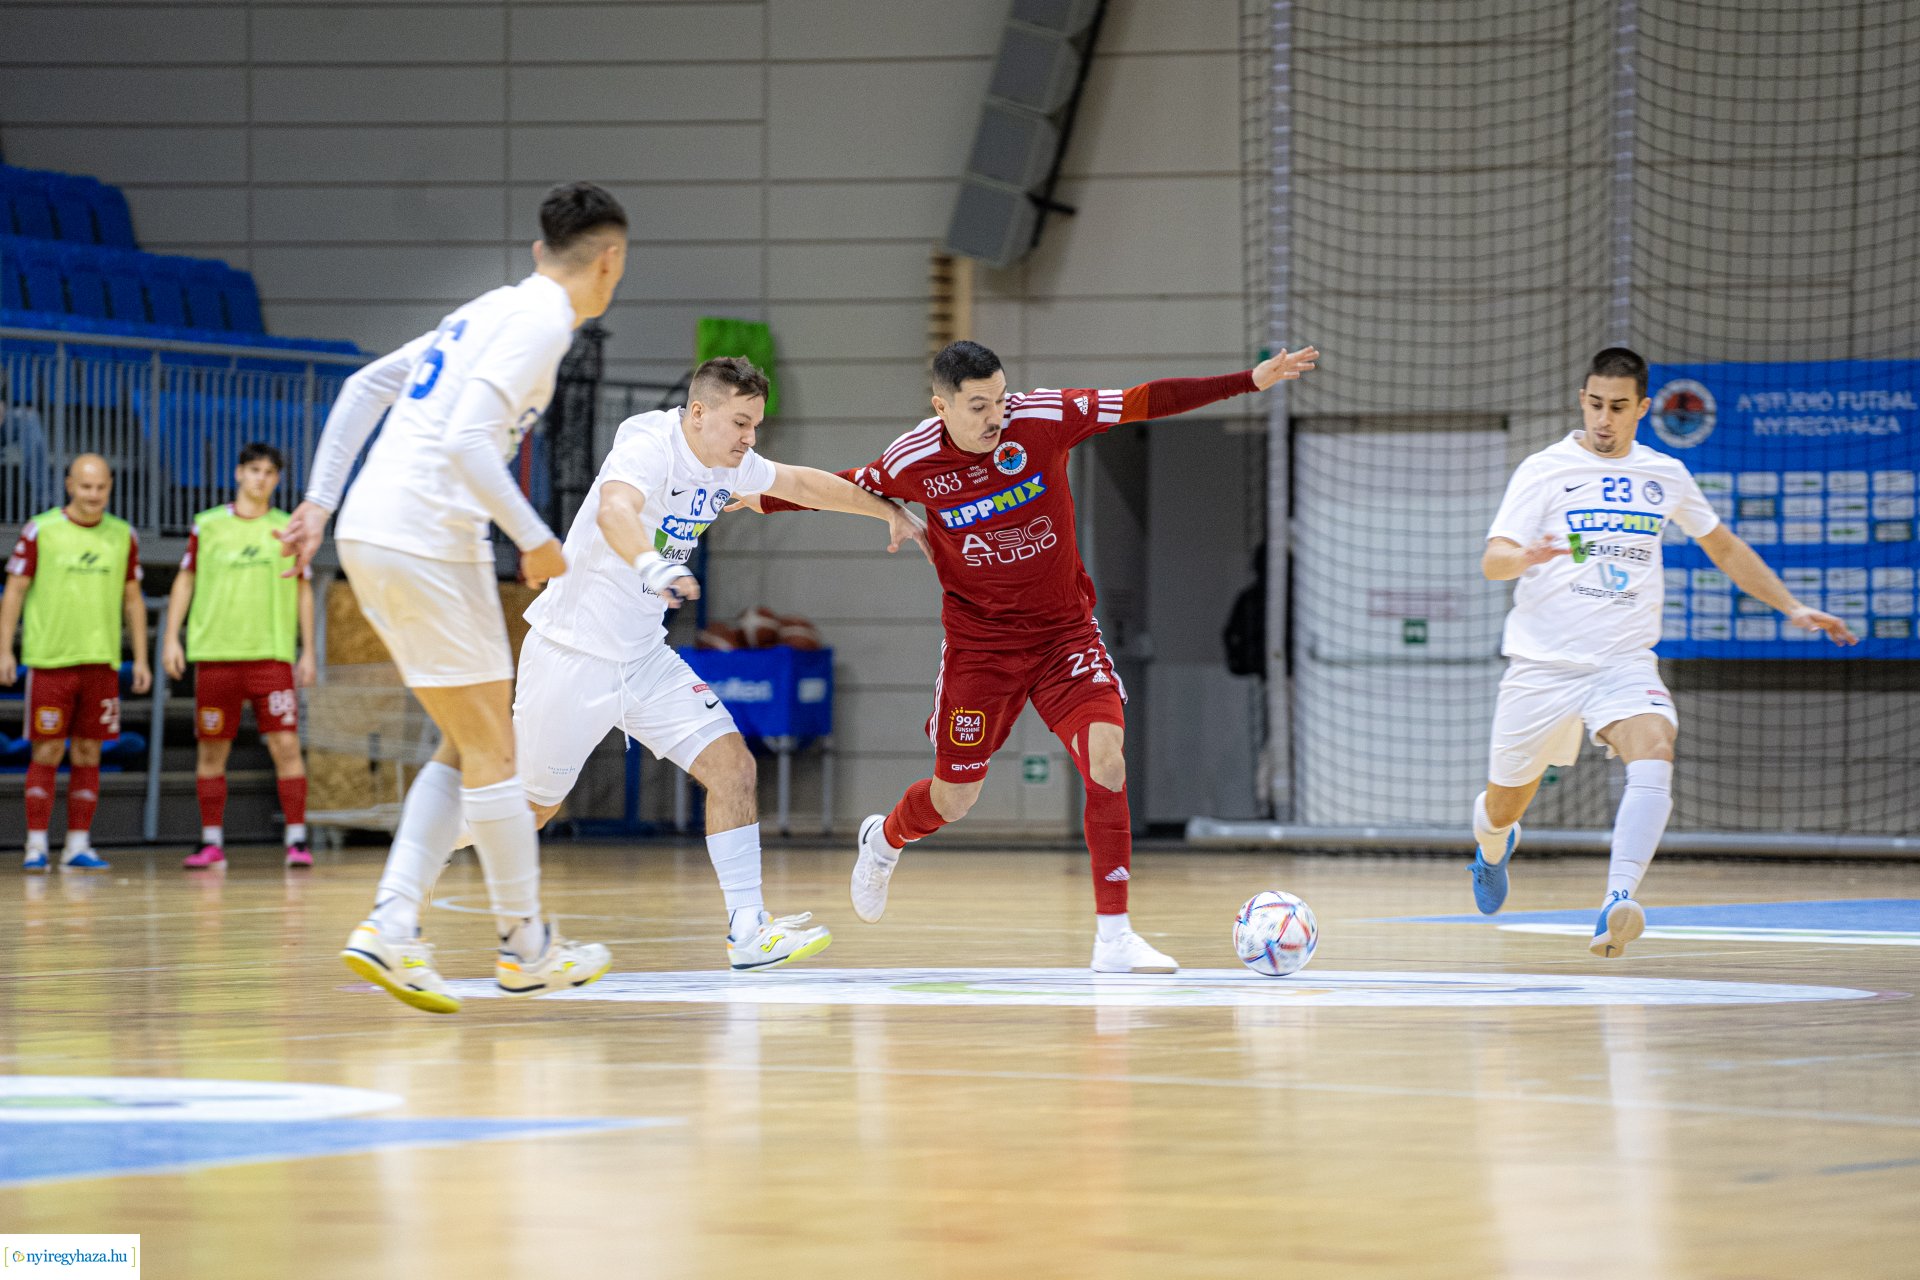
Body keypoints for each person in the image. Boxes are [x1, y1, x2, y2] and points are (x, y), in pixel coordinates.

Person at [744, 339, 1318, 972]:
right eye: (979, 405)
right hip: (981, 649)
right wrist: (745, 493)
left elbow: (1140, 402)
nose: (996, 415)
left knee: (1106, 755)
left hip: (1064, 636)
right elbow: (838, 486)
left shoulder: (1042, 418)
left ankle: (1114, 937)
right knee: (955, 798)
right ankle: (884, 839)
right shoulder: (915, 459)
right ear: (941, 407)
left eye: (1001, 397)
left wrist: (1248, 381)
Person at [277, 181, 628, 1014]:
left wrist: (321, 503)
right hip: (431, 534)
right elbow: (471, 440)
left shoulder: (484, 309)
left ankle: (394, 922)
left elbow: (366, 385)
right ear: (609, 262)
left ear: (543, 249)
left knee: (468, 741)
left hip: (371, 530)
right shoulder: (544, 321)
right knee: (494, 750)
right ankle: (526, 946)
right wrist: (535, 538)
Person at [448, 356, 921, 971]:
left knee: (733, 767)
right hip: (574, 655)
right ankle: (420, 856)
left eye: (756, 425)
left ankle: (748, 931)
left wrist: (885, 510)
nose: (750, 438)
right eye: (741, 423)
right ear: (698, 413)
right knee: (532, 809)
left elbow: (800, 485)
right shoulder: (647, 442)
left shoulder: (730, 464)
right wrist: (653, 564)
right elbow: (615, 510)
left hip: (644, 660)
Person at [1469, 346, 1858, 957]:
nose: (1604, 418)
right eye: (1595, 404)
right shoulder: (1543, 469)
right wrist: (1527, 557)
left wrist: (1792, 607)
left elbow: (1725, 548)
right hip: (1543, 665)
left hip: (1623, 662)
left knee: (1655, 746)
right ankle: (1493, 844)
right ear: (1582, 400)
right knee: (1503, 804)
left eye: (1618, 407)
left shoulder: (1665, 474)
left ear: (1643, 409)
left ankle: (1616, 902)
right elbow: (1494, 560)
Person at [163, 443, 318, 870]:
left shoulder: (289, 528)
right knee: (212, 751)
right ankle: (211, 842)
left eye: (269, 472)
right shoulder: (208, 525)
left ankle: (297, 841)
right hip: (216, 655)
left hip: (270, 657)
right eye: (254, 470)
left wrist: (309, 651)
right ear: (238, 474)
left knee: (286, 745)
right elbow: (185, 580)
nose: (261, 478)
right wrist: (171, 639)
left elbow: (303, 590)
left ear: (278, 479)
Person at [0, 454, 151, 870]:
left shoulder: (123, 535)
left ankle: (78, 845)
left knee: (90, 751)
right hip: (50, 661)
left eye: (101, 487)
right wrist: (4, 650)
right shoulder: (41, 530)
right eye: (86, 487)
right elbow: (14, 590)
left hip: (101, 663)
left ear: (110, 486)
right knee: (46, 749)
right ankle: (35, 846)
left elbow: (133, 599)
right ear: (69, 485)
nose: (94, 495)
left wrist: (140, 657)